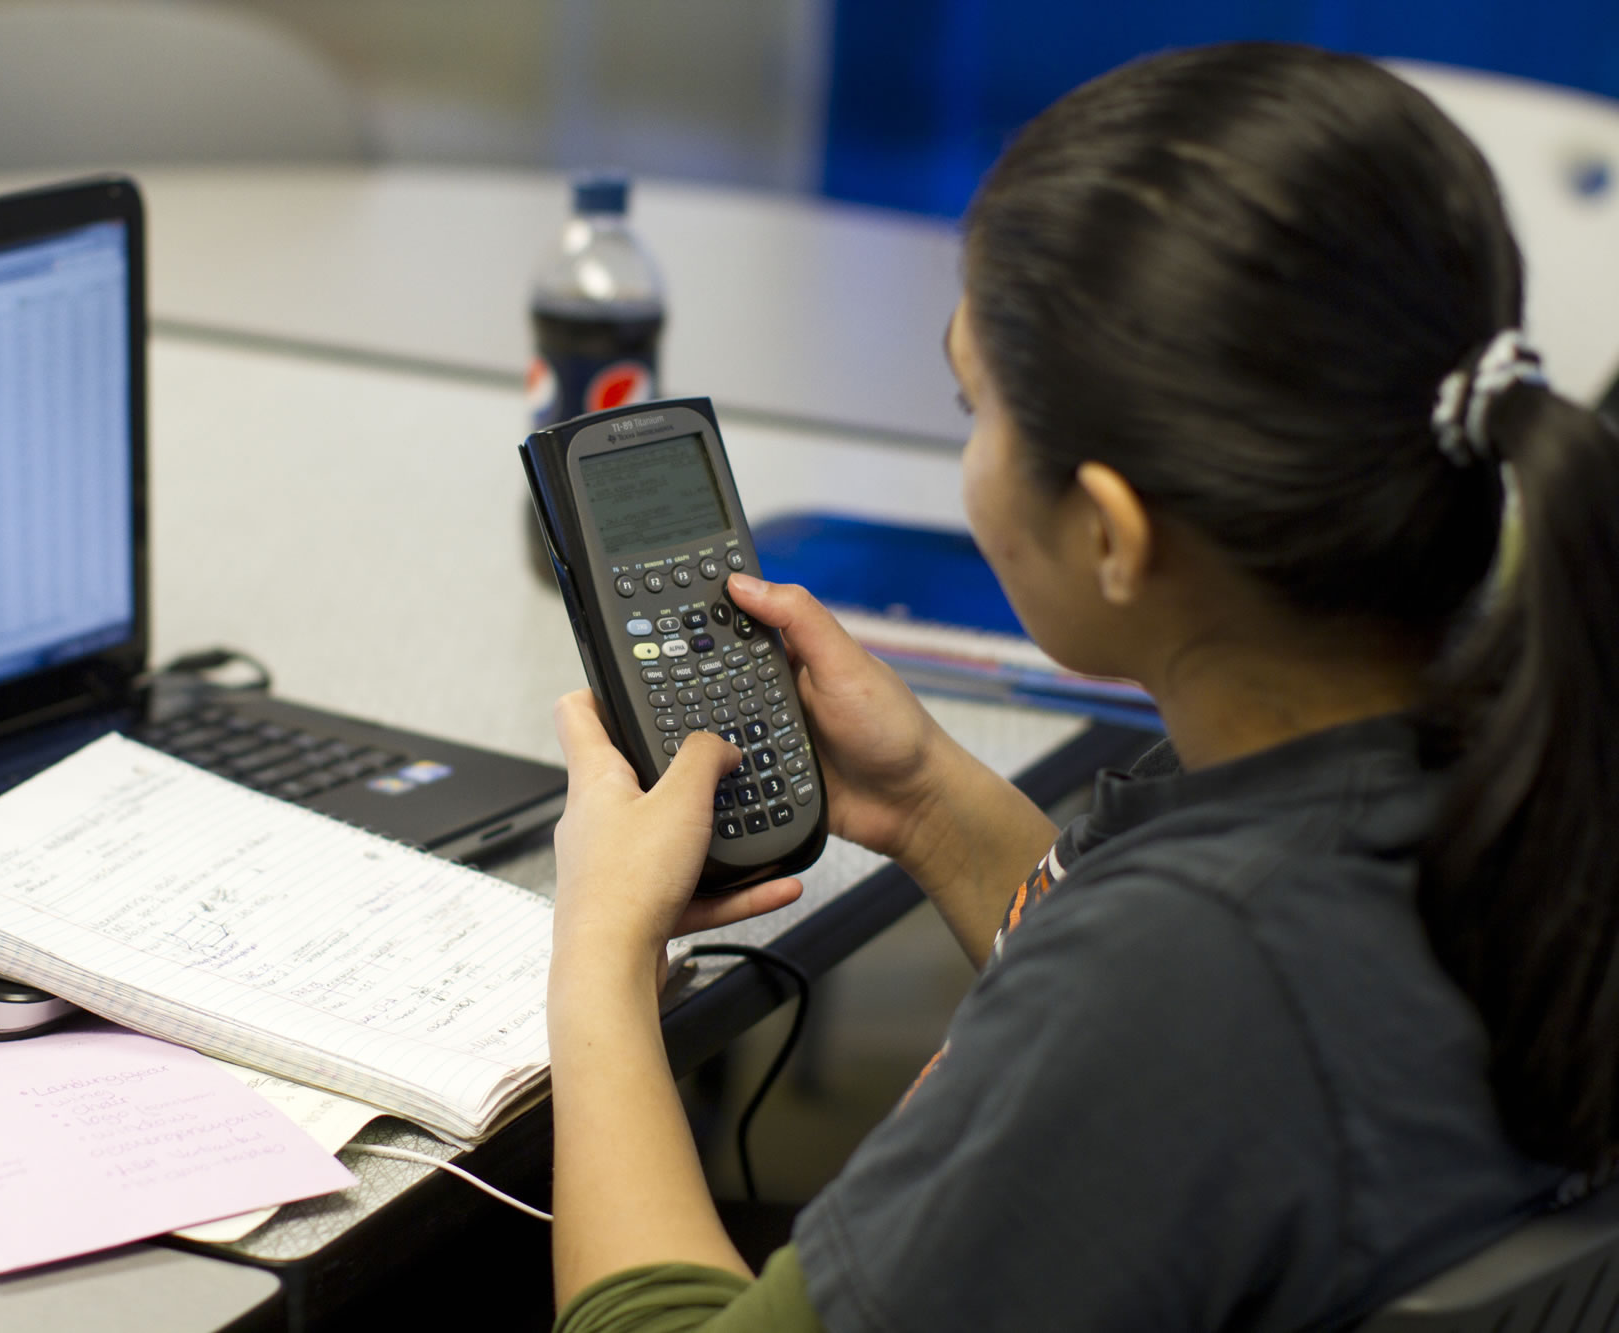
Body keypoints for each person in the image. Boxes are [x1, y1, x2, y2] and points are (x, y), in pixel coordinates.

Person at [542, 41, 1619, 1333]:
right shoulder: (1528, 735)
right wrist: (933, 801)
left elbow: (1177, 1018)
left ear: (1112, 532)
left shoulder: (1181, 987)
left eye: (975, 410)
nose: (973, 463)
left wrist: (601, 956)